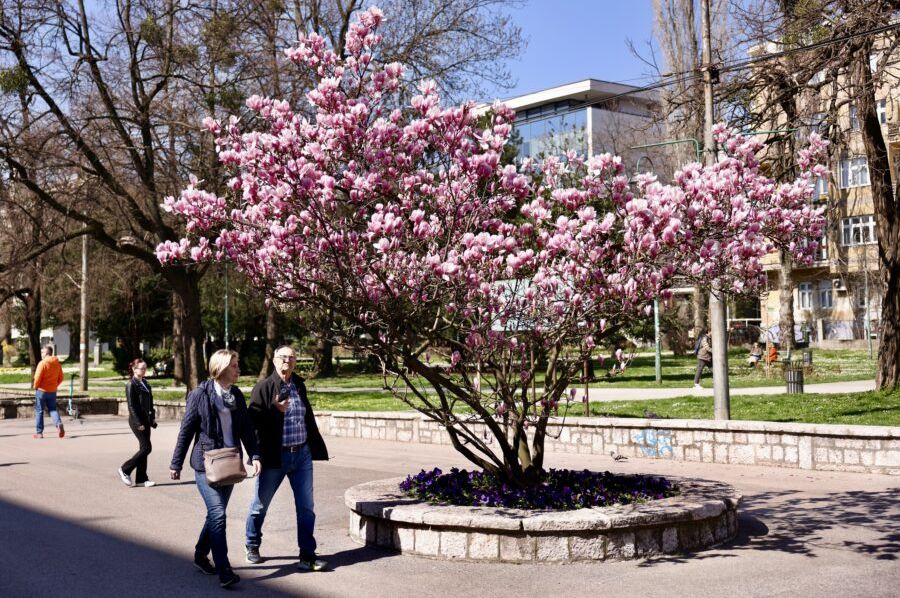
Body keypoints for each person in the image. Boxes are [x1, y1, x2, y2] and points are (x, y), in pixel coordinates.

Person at [169, 350, 261, 589]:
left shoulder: (236, 394)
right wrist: (176, 463)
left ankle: (201, 556)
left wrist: (255, 454)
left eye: (237, 365)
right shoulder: (200, 394)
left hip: (230, 463)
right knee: (219, 514)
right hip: (206, 464)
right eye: (234, 366)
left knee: (214, 516)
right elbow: (186, 430)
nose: (238, 369)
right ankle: (225, 570)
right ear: (220, 368)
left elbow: (247, 429)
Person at [244, 345, 329, 571]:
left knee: (306, 507)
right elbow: (252, 424)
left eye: (292, 358)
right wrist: (274, 411)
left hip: (301, 455)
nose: (288, 361)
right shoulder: (263, 387)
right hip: (274, 457)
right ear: (274, 360)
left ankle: (307, 555)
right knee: (260, 505)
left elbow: (305, 416)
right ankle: (252, 544)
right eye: (283, 357)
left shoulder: (299, 385)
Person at [118, 359, 157, 488]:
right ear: (134, 369)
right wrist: (138, 422)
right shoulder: (131, 385)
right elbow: (131, 406)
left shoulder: (145, 383)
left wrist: (152, 418)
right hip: (137, 420)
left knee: (143, 449)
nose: (144, 370)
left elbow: (150, 403)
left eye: (145, 368)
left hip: (146, 420)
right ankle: (125, 469)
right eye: (141, 368)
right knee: (147, 448)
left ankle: (141, 479)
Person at [33, 345, 65, 439]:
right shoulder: (57, 364)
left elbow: (37, 377)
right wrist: (55, 385)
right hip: (52, 391)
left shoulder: (42, 363)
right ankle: (58, 424)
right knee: (53, 409)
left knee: (39, 411)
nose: (41, 353)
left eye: (42, 352)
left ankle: (39, 433)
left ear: (47, 353)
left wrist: (35, 387)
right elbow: (61, 377)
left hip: (41, 391)